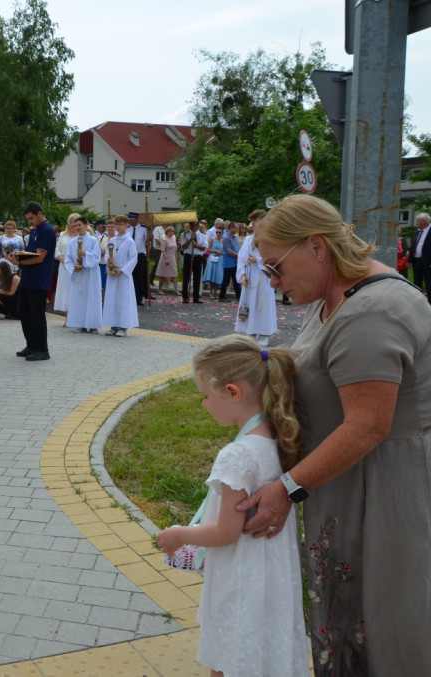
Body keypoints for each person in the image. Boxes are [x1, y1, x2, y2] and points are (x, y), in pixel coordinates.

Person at [237, 194, 431, 675]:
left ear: (317, 247)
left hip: (382, 493)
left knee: (387, 618)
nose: (273, 281)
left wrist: (286, 489)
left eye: (276, 267)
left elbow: (367, 425)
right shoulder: (338, 296)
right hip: (352, 483)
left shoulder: (372, 312)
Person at [157, 334, 309, 676]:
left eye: (205, 396)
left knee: (230, 655)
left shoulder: (237, 454)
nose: (203, 405)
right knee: (262, 653)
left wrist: (180, 534)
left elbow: (227, 532)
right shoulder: (277, 437)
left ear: (232, 392)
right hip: (272, 576)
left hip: (241, 576)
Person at [15, 202, 56, 361]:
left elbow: (40, 257)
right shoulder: (35, 230)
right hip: (28, 278)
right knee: (24, 312)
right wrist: (20, 257)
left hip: (38, 279)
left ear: (39, 213)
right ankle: (31, 345)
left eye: (31, 218)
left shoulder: (47, 230)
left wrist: (19, 262)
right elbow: (31, 253)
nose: (30, 222)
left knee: (37, 315)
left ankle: (42, 349)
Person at [235, 210, 277, 346]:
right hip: (250, 276)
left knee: (263, 304)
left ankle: (264, 333)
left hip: (263, 276)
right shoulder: (248, 239)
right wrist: (242, 275)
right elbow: (241, 259)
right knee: (250, 304)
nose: (252, 223)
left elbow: (274, 258)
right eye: (252, 221)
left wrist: (258, 260)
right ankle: (251, 332)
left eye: (255, 220)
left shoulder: (270, 238)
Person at [64, 216, 102, 333]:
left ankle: (93, 325)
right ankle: (81, 324)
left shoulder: (93, 240)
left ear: (86, 226)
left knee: (92, 298)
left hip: (90, 274)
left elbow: (96, 257)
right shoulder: (72, 242)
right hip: (79, 274)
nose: (77, 227)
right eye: (75, 226)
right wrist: (73, 268)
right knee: (79, 299)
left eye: (79, 225)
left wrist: (85, 254)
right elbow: (68, 258)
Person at [101, 215, 137, 336]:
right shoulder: (112, 240)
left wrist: (123, 270)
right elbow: (107, 255)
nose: (118, 227)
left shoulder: (130, 241)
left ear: (127, 225)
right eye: (117, 224)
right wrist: (108, 261)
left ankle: (123, 327)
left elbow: (133, 259)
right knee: (112, 299)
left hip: (122, 274)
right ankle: (113, 326)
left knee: (123, 299)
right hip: (113, 272)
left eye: (121, 224)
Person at [53, 214, 78, 318]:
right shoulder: (63, 235)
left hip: (77, 267)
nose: (72, 224)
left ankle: (77, 317)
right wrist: (61, 258)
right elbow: (57, 250)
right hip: (64, 267)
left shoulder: (83, 235)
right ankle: (68, 318)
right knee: (66, 291)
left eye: (74, 222)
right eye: (70, 222)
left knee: (76, 291)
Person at [181, 221, 208, 304]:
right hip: (188, 256)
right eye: (191, 224)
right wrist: (190, 240)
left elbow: (204, 248)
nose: (192, 226)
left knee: (197, 277)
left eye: (194, 224)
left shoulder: (202, 235)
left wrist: (196, 245)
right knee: (186, 277)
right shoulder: (186, 234)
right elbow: (183, 246)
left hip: (197, 257)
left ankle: (196, 297)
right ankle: (185, 296)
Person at [408, 211, 431, 302]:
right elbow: (413, 246)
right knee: (417, 283)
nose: (416, 223)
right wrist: (409, 260)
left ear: (424, 222)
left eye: (418, 221)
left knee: (429, 283)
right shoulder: (418, 232)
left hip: (428, 263)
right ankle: (417, 302)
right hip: (417, 261)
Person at [128, 212, 150, 304]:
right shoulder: (127, 229)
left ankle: (139, 297)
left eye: (132, 219)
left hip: (139, 255)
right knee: (130, 276)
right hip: (129, 255)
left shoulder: (143, 229)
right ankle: (130, 297)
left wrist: (149, 229)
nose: (130, 221)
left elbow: (149, 239)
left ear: (136, 220)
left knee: (139, 277)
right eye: (129, 220)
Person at [218, 221, 241, 301]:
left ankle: (239, 296)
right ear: (230, 228)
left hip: (234, 262)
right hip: (228, 263)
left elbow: (235, 249)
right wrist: (238, 256)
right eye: (235, 228)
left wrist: (237, 257)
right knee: (226, 281)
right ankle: (222, 296)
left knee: (236, 280)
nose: (236, 230)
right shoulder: (226, 238)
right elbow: (228, 250)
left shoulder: (234, 237)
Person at [155, 225, 179, 294]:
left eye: (173, 231)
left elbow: (175, 248)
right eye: (172, 231)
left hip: (172, 257)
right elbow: (163, 250)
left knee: (174, 273)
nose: (173, 232)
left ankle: (176, 289)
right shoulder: (164, 239)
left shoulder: (174, 237)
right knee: (163, 274)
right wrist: (166, 259)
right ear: (168, 231)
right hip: (165, 257)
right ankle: (160, 289)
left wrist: (176, 256)